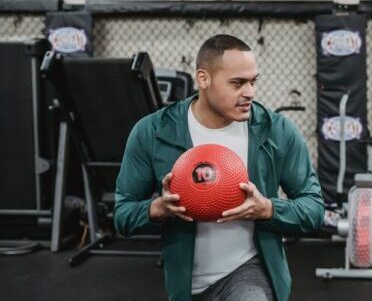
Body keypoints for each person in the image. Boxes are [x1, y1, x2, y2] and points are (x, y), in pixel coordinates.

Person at [114, 34, 324, 301]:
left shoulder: (277, 131)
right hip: (185, 284)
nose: (249, 92)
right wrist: (156, 209)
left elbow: (314, 208)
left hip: (248, 271)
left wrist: (268, 209)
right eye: (237, 83)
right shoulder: (152, 132)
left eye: (252, 81)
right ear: (204, 79)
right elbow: (122, 214)